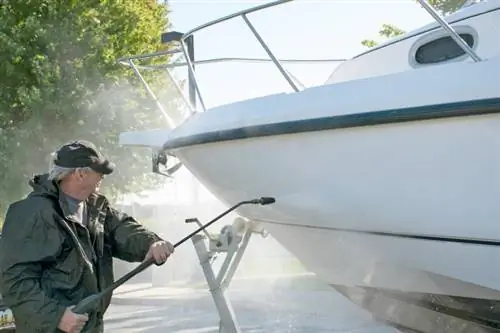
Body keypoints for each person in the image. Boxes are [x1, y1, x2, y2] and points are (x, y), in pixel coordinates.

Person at [0, 140, 175, 333]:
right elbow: (13, 280)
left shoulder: (96, 207)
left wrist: (151, 243)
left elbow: (123, 229)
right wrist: (56, 317)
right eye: (98, 171)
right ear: (80, 174)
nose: (103, 177)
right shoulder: (32, 213)